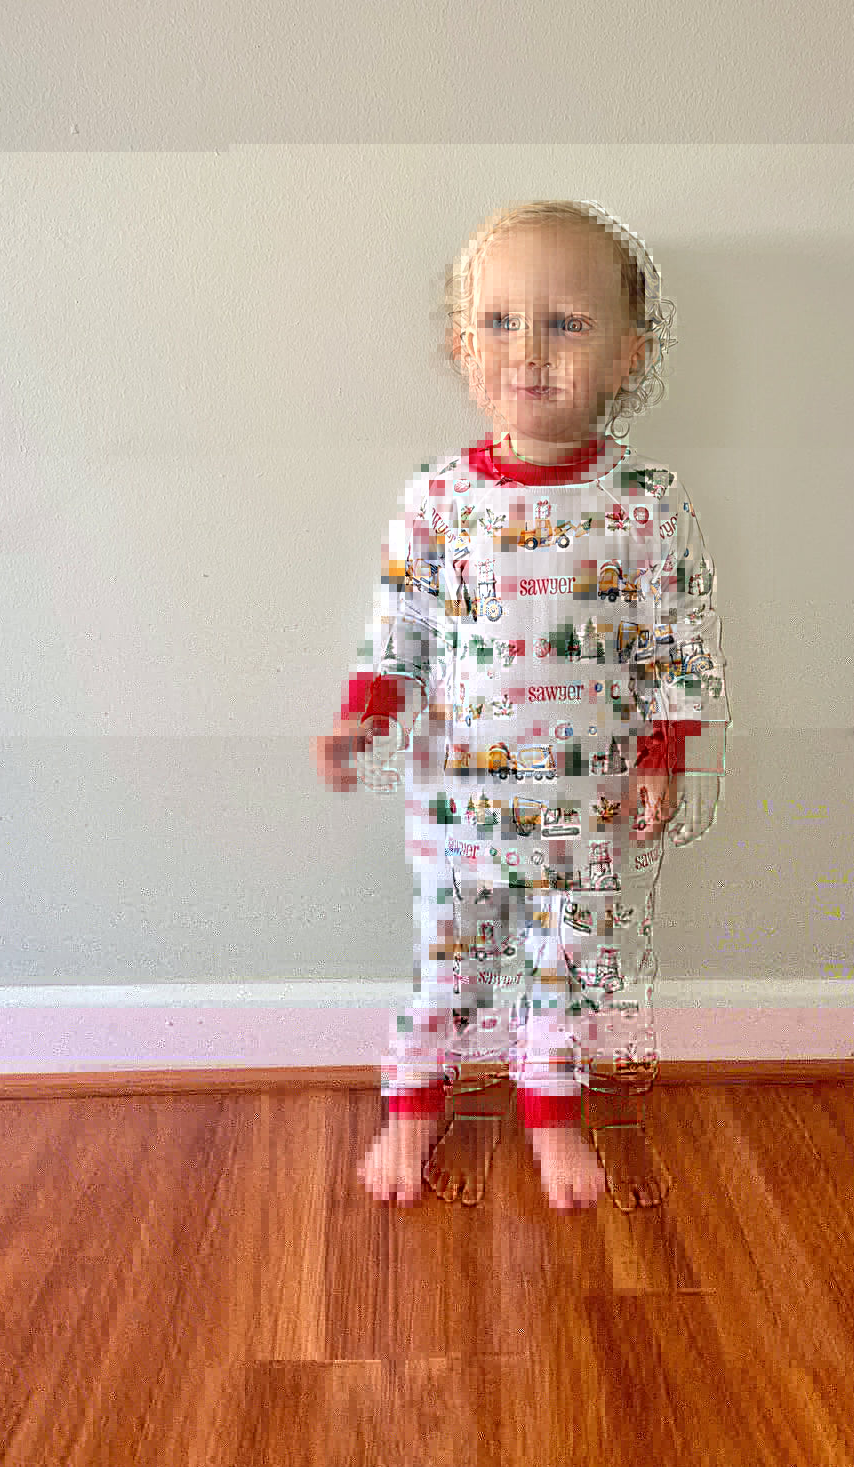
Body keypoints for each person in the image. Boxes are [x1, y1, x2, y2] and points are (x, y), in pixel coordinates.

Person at [311, 198, 730, 1210]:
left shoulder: (640, 505)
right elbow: (398, 620)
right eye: (499, 323)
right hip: (457, 800)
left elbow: (673, 633)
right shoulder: (437, 500)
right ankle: (410, 1111)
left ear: (625, 358)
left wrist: (664, 748)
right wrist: (364, 710)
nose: (528, 350)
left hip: (582, 805)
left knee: (566, 968)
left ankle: (552, 1117)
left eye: (565, 324)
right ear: (462, 348)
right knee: (447, 968)